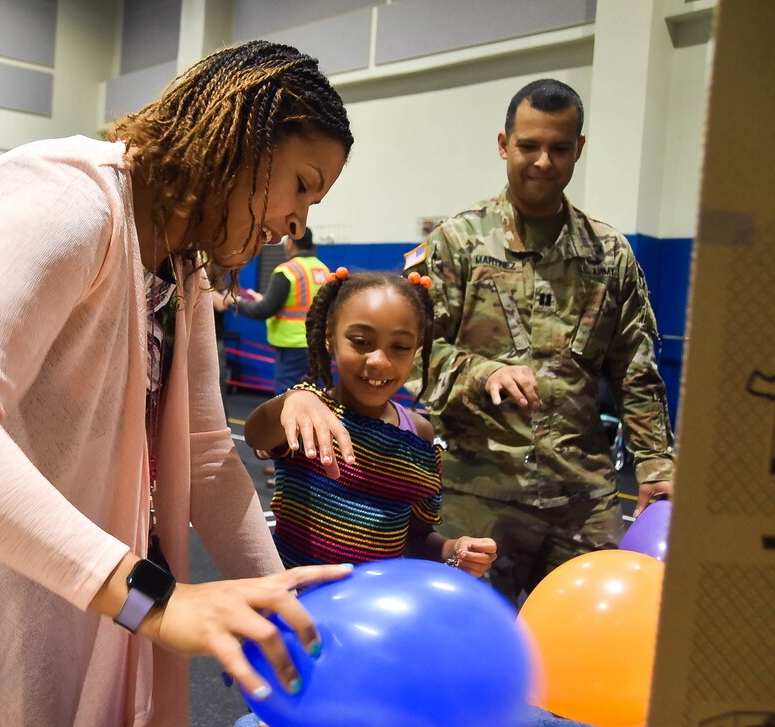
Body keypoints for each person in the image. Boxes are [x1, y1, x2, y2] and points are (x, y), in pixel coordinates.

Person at [0, 40, 355, 726]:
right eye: (304, 185)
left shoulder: (180, 267)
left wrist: (283, 603)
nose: (297, 225)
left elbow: (208, 452)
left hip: (0, 565)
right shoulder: (70, 197)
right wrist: (157, 599)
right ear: (243, 138)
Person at [404, 78, 675, 605]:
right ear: (504, 145)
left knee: (597, 650)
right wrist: (482, 373)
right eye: (529, 146)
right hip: (477, 494)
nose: (544, 162)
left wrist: (656, 464)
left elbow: (636, 368)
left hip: (583, 498)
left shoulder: (610, 254)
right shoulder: (457, 243)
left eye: (560, 148)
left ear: (580, 149)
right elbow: (410, 356)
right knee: (471, 651)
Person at [244, 269, 497, 576]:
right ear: (329, 338)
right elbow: (255, 435)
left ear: (417, 350)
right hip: (294, 605)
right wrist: (292, 399)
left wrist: (454, 549)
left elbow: (416, 537)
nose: (379, 360)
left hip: (370, 611)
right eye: (361, 341)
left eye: (400, 347)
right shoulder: (307, 411)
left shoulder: (418, 434)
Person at [222, 227, 329, 395]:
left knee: (287, 397)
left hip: (292, 345)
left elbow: (264, 310)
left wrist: (235, 302)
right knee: (315, 396)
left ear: (291, 243)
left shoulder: (287, 271)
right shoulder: (323, 270)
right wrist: (263, 299)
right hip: (318, 344)